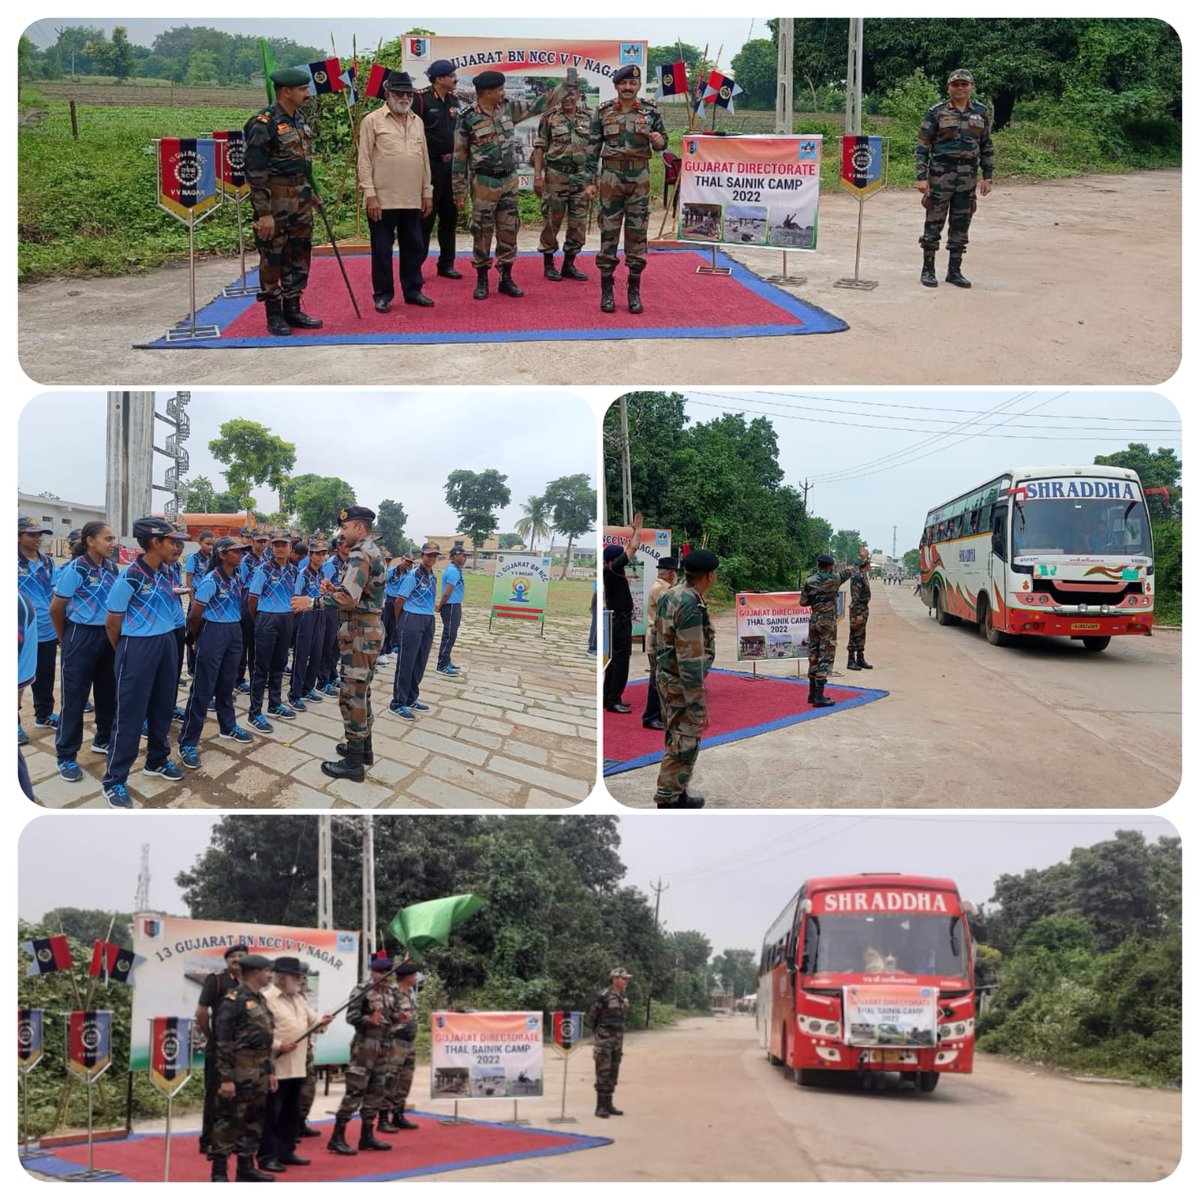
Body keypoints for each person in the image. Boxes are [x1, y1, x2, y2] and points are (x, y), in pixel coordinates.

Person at [453, 69, 570, 300]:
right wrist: (459, 191)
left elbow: (539, 104)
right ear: (487, 92)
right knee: (482, 230)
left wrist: (565, 86)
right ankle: (482, 279)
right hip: (484, 182)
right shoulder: (467, 117)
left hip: (509, 180)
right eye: (499, 90)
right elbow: (459, 156)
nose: (503, 93)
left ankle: (506, 277)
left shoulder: (507, 109)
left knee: (509, 230)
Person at [292, 507, 385, 782]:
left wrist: (311, 603)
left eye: (345, 528)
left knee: (352, 696)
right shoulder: (373, 550)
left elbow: (349, 600)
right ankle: (363, 748)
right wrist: (335, 590)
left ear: (359, 527)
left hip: (359, 632)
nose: (341, 533)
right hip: (367, 629)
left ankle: (353, 763)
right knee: (362, 692)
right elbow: (359, 592)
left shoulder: (360, 552)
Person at [100, 517, 189, 808]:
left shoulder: (166, 572)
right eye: (170, 540)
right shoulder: (130, 577)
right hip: (137, 647)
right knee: (130, 715)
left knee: (163, 707)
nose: (176, 545)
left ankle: (157, 760)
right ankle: (114, 780)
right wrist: (127, 651)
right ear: (155, 542)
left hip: (166, 644)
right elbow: (113, 623)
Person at [245, 67, 325, 336]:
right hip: (275, 202)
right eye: (302, 89)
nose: (307, 93)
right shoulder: (262, 123)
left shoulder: (299, 119)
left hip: (300, 200)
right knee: (273, 256)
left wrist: (311, 194)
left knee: (299, 253)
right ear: (285, 91)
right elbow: (255, 173)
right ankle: (274, 314)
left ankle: (293, 307)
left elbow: (301, 164)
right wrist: (263, 213)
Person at [585, 64, 667, 315]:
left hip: (639, 176)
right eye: (623, 84)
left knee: (637, 233)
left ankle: (633, 291)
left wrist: (659, 141)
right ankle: (607, 291)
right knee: (608, 232)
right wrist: (590, 181)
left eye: (632, 83)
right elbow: (592, 148)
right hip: (611, 177)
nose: (628, 87)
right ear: (617, 86)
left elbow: (663, 144)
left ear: (639, 85)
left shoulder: (650, 111)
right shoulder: (603, 111)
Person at [359, 70, 434, 314]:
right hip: (382, 198)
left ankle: (413, 290)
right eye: (399, 93)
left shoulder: (417, 121)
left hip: (412, 197)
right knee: (382, 249)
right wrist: (370, 194)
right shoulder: (373, 120)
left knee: (414, 245)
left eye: (408, 93)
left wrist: (427, 192)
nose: (404, 97)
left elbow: (424, 160)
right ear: (387, 93)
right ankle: (383, 295)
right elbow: (365, 160)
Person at [50, 521, 118, 782]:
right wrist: (65, 638)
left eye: (114, 538)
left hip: (106, 636)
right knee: (75, 698)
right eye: (107, 539)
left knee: (107, 694)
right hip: (79, 634)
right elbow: (56, 609)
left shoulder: (112, 568)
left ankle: (103, 739)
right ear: (90, 540)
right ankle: (66, 754)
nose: (113, 543)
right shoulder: (75, 569)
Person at [178, 536, 254, 766]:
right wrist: (196, 637)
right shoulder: (211, 580)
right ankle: (188, 742)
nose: (241, 554)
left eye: (243, 550)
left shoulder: (237, 576)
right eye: (237, 551)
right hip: (214, 631)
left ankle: (227, 726)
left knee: (226, 683)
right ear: (222, 554)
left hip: (233, 631)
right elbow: (195, 613)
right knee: (202, 689)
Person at [651, 548, 717, 810]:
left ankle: (678, 793)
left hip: (666, 676)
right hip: (680, 682)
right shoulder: (690, 604)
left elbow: (655, 639)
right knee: (684, 745)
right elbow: (690, 661)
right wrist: (698, 706)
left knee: (676, 738)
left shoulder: (673, 594)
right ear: (709, 575)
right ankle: (668, 800)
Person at [916, 67, 994, 289]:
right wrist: (922, 177)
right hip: (941, 173)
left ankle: (954, 271)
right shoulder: (937, 112)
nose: (960, 88)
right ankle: (928, 269)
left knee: (962, 222)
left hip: (968, 175)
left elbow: (986, 145)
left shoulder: (981, 112)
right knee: (934, 220)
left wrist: (987, 177)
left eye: (964, 84)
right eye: (955, 85)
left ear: (971, 87)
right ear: (949, 87)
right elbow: (923, 145)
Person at [210, 952, 278, 1183]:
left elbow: (265, 1040)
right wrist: (226, 1078)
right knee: (229, 1120)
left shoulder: (260, 999)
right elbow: (223, 1042)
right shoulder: (233, 1000)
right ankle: (219, 1172)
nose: (270, 975)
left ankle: (246, 1167)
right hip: (238, 1071)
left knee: (254, 1119)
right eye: (267, 971)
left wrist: (270, 1071)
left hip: (259, 1071)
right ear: (256, 972)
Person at [260, 958, 332, 1173]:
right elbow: (257, 1034)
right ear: (283, 977)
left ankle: (286, 1151)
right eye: (297, 976)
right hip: (276, 1066)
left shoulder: (299, 999)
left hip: (298, 1066)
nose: (301, 980)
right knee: (272, 1114)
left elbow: (314, 1025)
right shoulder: (266, 999)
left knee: (291, 1113)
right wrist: (278, 1044)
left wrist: (324, 1022)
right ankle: (267, 1156)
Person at [328, 956, 398, 1156]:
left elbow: (389, 1017)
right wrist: (369, 1019)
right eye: (382, 974)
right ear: (374, 972)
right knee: (355, 1091)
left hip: (384, 1047)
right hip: (364, 1047)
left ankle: (367, 1135)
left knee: (376, 1091)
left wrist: (397, 1019)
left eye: (389, 975)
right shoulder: (362, 990)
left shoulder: (388, 992)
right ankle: (337, 1137)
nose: (386, 978)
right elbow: (351, 1017)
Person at [532, 81, 592, 281]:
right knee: (551, 220)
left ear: (578, 95)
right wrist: (538, 177)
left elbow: (595, 149)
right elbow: (540, 147)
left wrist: (594, 179)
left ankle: (569, 264)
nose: (568, 98)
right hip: (556, 176)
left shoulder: (589, 117)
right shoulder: (550, 118)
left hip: (580, 177)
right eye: (564, 94)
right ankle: (549, 264)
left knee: (578, 223)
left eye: (572, 94)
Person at [196, 944, 248, 1158]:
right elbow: (201, 1013)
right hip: (219, 1049)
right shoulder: (216, 981)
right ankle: (208, 1141)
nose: (237, 959)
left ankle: (231, 1138)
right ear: (226, 961)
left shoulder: (249, 985)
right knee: (214, 1097)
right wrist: (211, 1038)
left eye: (241, 956)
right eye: (232, 956)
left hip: (242, 1052)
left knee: (237, 1097)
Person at [799, 548, 869, 708]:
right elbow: (851, 570)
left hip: (814, 621)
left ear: (818, 565)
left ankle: (811, 693)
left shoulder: (809, 580)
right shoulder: (835, 579)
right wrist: (861, 557)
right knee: (826, 656)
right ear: (830, 566)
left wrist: (816, 600)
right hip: (827, 623)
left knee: (813, 654)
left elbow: (803, 602)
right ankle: (819, 696)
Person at [414, 60, 464, 280]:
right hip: (430, 166)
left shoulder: (454, 100)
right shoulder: (421, 100)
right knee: (426, 218)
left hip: (451, 167)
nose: (455, 79)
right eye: (452, 75)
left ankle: (446, 263)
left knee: (449, 217)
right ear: (439, 78)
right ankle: (415, 266)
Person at [247, 533, 299, 732]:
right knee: (261, 668)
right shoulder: (264, 569)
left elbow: (296, 595)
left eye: (283, 545)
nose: (280, 548)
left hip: (286, 618)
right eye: (276, 545)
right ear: (272, 547)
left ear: (289, 548)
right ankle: (254, 712)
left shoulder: (294, 571)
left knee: (279, 663)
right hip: (267, 618)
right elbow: (252, 599)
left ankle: (275, 704)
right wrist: (260, 618)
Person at [18, 516, 59, 743]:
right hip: (19, 629)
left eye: (39, 534)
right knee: (16, 677)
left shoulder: (48, 562)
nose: (37, 539)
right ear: (17, 536)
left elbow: (53, 593)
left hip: (45, 627)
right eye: (31, 534)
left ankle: (43, 714)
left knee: (44, 674)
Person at [390, 542, 441, 720]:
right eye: (429, 555)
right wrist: (400, 623)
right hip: (411, 618)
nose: (432, 558)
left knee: (420, 661)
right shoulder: (413, 575)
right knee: (406, 662)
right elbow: (399, 601)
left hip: (428, 620)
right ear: (422, 555)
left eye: (435, 555)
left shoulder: (432, 576)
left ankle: (411, 698)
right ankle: (398, 702)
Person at [602, 511, 643, 713]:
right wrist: (638, 530)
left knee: (613, 661)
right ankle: (613, 699)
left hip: (616, 619)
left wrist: (634, 531)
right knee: (620, 661)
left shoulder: (610, 570)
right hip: (619, 621)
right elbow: (633, 547)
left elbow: (629, 548)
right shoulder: (613, 569)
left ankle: (608, 697)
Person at [379, 961, 421, 1133]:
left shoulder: (410, 993)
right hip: (395, 1042)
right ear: (408, 977)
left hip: (409, 1043)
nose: (417, 978)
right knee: (390, 1080)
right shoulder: (392, 994)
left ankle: (398, 1114)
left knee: (405, 1080)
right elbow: (385, 1019)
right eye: (415, 975)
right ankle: (383, 1119)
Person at [288, 537, 329, 710]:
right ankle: (295, 694)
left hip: (319, 613)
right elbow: (296, 597)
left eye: (323, 554)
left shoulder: (321, 574)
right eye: (317, 554)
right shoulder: (302, 573)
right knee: (301, 654)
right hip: (305, 616)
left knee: (317, 652)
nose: (320, 557)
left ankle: (308, 688)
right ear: (310, 555)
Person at [586, 967, 631, 1118]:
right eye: (624, 978)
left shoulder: (622, 995)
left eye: (627, 979)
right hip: (604, 1038)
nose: (626, 981)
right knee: (603, 1072)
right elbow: (591, 1017)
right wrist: (598, 1035)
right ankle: (600, 1107)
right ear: (615, 979)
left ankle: (609, 1104)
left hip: (618, 1039)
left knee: (613, 1071)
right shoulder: (604, 996)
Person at [640, 556, 676, 730]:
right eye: (674, 572)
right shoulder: (660, 589)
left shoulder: (666, 588)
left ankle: (659, 714)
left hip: (661, 638)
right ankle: (651, 716)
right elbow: (672, 610)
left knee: (661, 678)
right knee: (656, 679)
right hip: (657, 639)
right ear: (670, 573)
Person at [316, 535, 350, 696]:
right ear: (339, 545)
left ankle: (331, 674)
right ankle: (322, 681)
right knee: (327, 644)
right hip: (330, 608)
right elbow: (324, 589)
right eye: (347, 544)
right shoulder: (331, 564)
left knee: (337, 644)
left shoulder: (348, 563)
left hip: (342, 608)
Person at [235, 530, 267, 693]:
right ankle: (239, 679)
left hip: (262, 601)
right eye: (259, 541)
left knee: (256, 641)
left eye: (264, 541)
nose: (262, 544)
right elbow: (240, 583)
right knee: (244, 642)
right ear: (253, 541)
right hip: (248, 599)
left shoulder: (267, 559)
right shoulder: (246, 560)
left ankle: (255, 675)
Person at [183, 529, 214, 678]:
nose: (210, 547)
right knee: (192, 632)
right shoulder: (193, 558)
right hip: (196, 599)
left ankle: (202, 664)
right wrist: (192, 599)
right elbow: (188, 579)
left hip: (208, 599)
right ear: (199, 543)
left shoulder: (213, 558)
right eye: (207, 544)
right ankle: (191, 667)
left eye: (212, 544)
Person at [434, 544, 467, 676]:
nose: (465, 558)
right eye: (462, 555)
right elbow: (447, 592)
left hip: (454, 604)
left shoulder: (456, 569)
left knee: (451, 634)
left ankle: (446, 660)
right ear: (454, 556)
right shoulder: (453, 571)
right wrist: (440, 606)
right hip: (451, 605)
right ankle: (442, 664)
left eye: (465, 556)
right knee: (449, 635)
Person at [379, 552, 413, 664]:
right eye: (407, 561)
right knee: (384, 625)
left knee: (393, 627)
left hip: (399, 601)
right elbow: (381, 585)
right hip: (388, 600)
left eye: (410, 562)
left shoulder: (408, 574)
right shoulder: (391, 571)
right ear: (402, 559)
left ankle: (389, 649)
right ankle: (381, 652)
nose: (408, 563)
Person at [846, 546, 874, 671]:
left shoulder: (863, 575)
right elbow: (855, 596)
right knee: (854, 634)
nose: (870, 566)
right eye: (869, 564)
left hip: (863, 609)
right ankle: (851, 660)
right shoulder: (858, 576)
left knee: (861, 634)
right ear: (865, 565)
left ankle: (860, 658)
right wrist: (857, 613)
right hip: (857, 609)